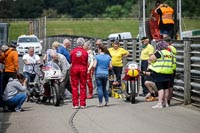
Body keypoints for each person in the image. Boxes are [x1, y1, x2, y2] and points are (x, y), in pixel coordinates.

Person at [148, 41, 174, 108]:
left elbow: (151, 59)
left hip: (160, 72)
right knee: (166, 88)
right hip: (168, 73)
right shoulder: (170, 53)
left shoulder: (159, 53)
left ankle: (159, 103)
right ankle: (166, 103)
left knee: (160, 88)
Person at [0, 41, 19, 111]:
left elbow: (0, 59)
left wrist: (5, 63)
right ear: (15, 46)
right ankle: (12, 106)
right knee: (14, 88)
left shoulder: (5, 52)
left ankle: (4, 106)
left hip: (5, 71)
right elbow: (16, 62)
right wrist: (17, 72)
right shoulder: (14, 52)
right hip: (12, 72)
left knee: (5, 89)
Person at [70, 37, 88, 109]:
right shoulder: (85, 52)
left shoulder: (72, 51)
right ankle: (83, 104)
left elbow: (70, 60)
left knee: (74, 86)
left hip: (74, 68)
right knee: (83, 86)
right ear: (83, 44)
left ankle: (75, 104)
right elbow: (86, 61)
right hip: (83, 69)